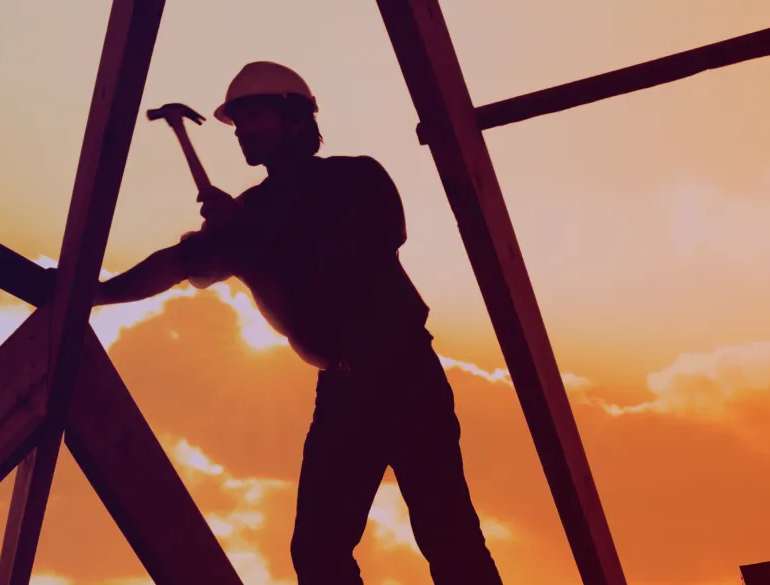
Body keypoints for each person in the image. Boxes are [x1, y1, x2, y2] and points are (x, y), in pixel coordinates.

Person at [47, 61, 505, 585]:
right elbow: (176, 265)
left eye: (253, 119)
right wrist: (93, 293)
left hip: (404, 376)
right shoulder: (250, 214)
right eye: (238, 123)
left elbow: (360, 245)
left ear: (294, 119)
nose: (242, 132)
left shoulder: (355, 178)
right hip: (342, 389)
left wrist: (253, 233)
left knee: (449, 540)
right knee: (317, 552)